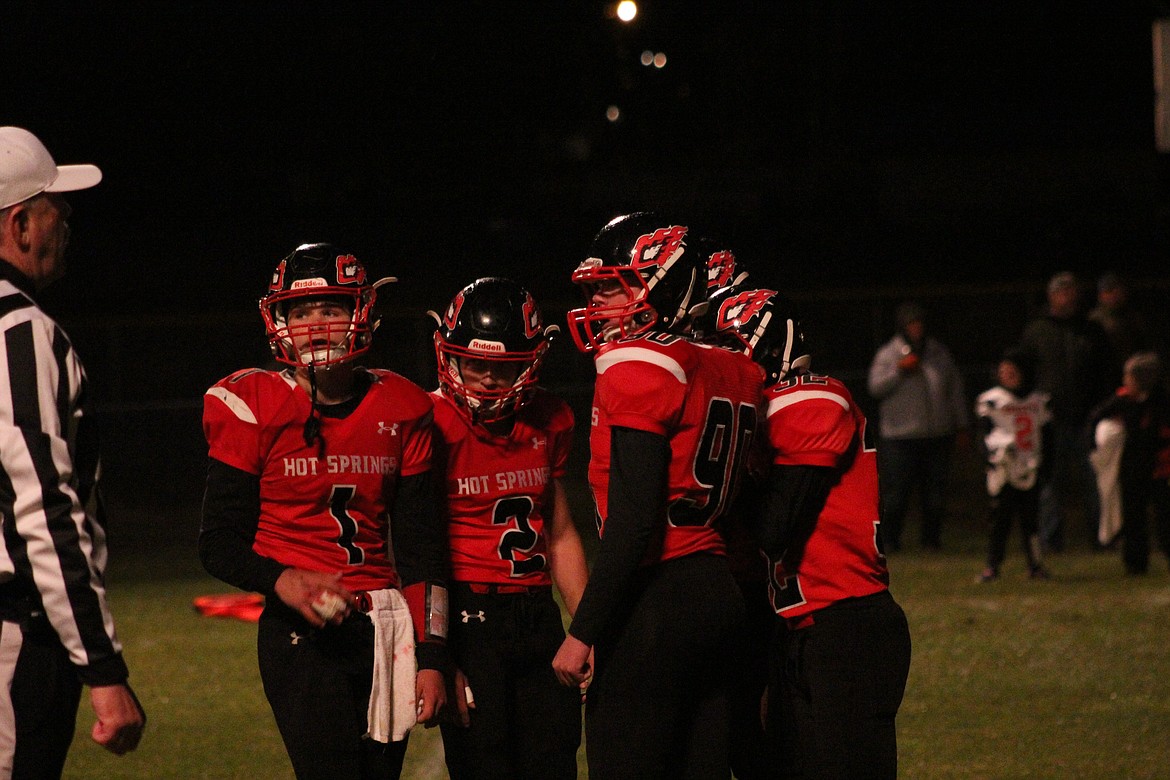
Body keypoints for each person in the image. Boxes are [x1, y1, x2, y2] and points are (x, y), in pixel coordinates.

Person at [199, 243, 450, 779]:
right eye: (300, 311)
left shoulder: (403, 405)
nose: (315, 324)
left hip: (386, 626)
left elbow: (424, 548)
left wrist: (431, 656)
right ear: (279, 320)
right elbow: (217, 542)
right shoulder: (252, 404)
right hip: (300, 632)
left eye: (331, 309)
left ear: (361, 314)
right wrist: (282, 579)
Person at [551, 213, 764, 779]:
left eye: (611, 288)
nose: (598, 304)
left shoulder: (640, 364)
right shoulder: (732, 367)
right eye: (594, 290)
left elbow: (635, 521)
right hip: (719, 593)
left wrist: (582, 632)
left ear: (664, 284)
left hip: (658, 595)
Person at [710, 286, 911, 779]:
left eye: (730, 351)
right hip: (800, 624)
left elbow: (774, 528)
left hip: (847, 622)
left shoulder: (811, 398)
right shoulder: (767, 413)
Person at [0, 126, 146, 778]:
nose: (68, 222)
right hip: (14, 637)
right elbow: (42, 506)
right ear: (22, 223)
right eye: (56, 207)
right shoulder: (20, 333)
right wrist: (103, 668)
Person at [427, 277, 588, 779]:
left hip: (537, 616)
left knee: (554, 763)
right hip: (468, 616)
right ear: (449, 356)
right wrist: (436, 651)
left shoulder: (550, 420)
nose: (488, 380)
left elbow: (559, 534)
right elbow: (413, 546)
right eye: (475, 363)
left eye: (505, 368)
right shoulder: (426, 421)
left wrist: (586, 629)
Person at [1017, 271, 1114, 552]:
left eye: (1071, 291)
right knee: (1050, 486)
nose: (1067, 297)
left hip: (1087, 419)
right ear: (1051, 296)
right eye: (1061, 292)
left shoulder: (1092, 330)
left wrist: (1103, 409)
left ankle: (1103, 539)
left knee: (1095, 484)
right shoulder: (1037, 330)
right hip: (1050, 421)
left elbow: (1106, 372)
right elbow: (1025, 371)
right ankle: (1050, 541)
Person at [866, 300, 968, 551]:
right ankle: (890, 541)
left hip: (937, 433)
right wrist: (899, 371)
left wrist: (962, 424)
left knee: (934, 493)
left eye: (919, 323)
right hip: (900, 436)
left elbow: (954, 390)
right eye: (911, 324)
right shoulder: (889, 354)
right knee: (896, 493)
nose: (916, 328)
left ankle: (931, 541)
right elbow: (874, 387)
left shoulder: (937, 352)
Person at [1086, 352, 1170, 575]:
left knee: (1165, 516)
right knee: (1133, 518)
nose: (1125, 381)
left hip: (1160, 467)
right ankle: (1135, 564)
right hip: (1133, 467)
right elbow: (1096, 417)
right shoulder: (1123, 401)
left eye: (1130, 377)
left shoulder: (1161, 402)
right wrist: (1095, 446)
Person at [974, 350, 1053, 582]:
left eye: (1013, 372)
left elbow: (1049, 437)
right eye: (1004, 372)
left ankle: (1035, 565)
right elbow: (982, 433)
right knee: (999, 520)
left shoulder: (1040, 400)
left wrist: (1047, 465)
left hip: (1030, 465)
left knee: (1031, 520)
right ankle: (992, 566)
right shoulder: (991, 399)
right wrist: (988, 458)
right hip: (1003, 466)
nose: (1008, 376)